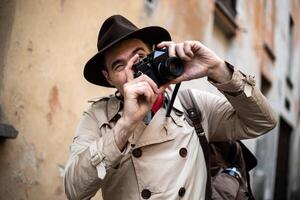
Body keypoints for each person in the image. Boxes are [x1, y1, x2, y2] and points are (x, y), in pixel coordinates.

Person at [64, 15, 277, 200]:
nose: (134, 68)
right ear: (107, 77)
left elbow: (263, 122)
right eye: (119, 66)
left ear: (153, 54)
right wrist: (125, 125)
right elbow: (75, 192)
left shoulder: (192, 104)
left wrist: (217, 68)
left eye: (139, 56)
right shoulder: (96, 117)